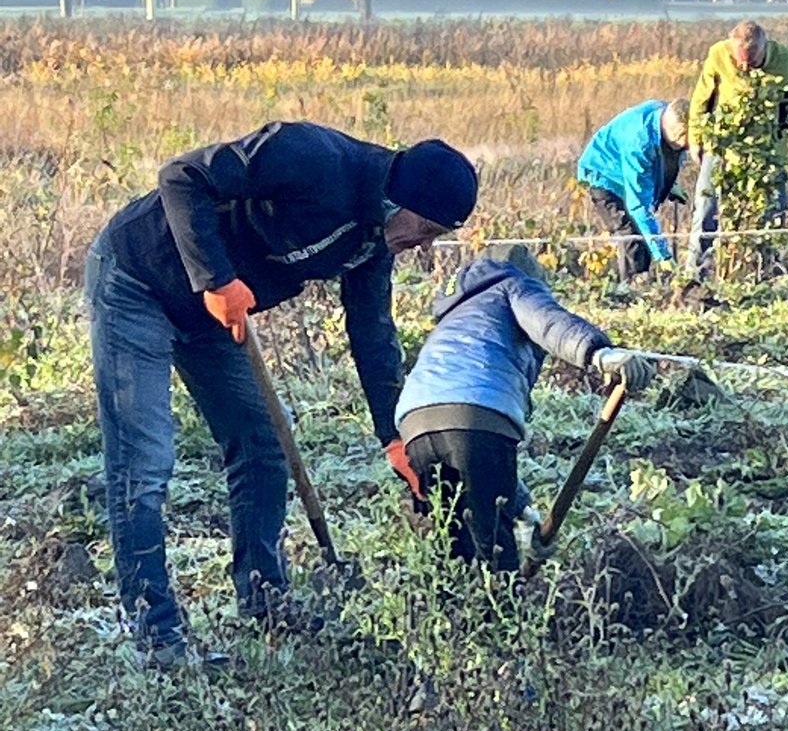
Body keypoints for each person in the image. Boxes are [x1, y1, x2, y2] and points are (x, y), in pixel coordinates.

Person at [84, 120, 478, 666]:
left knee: (266, 444)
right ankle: (158, 638)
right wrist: (216, 278)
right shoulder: (310, 156)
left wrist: (395, 435)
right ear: (399, 199)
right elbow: (182, 177)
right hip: (138, 278)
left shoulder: (372, 244)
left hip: (211, 318)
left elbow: (372, 334)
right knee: (144, 460)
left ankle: (264, 598)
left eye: (438, 237)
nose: (423, 244)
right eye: (427, 228)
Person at [395, 244, 655, 574]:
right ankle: (503, 618)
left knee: (453, 552)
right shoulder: (513, 284)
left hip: (415, 425)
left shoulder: (455, 315)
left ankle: (457, 622)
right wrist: (600, 354)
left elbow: (481, 464)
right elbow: (548, 323)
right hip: (477, 414)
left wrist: (523, 511)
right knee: (495, 553)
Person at [686, 19, 788, 278]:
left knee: (773, 213)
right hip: (723, 146)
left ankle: (767, 273)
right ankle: (695, 275)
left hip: (768, 152)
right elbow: (700, 100)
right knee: (705, 209)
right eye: (740, 62)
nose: (746, 67)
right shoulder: (718, 54)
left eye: (753, 60)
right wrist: (695, 139)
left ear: (764, 48)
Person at [577, 99, 690, 282]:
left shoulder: (666, 120)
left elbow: (662, 159)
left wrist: (668, 184)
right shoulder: (640, 142)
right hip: (603, 174)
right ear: (678, 132)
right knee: (631, 236)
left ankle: (641, 284)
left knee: (643, 236)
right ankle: (631, 291)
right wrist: (663, 255)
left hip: (627, 168)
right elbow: (638, 207)